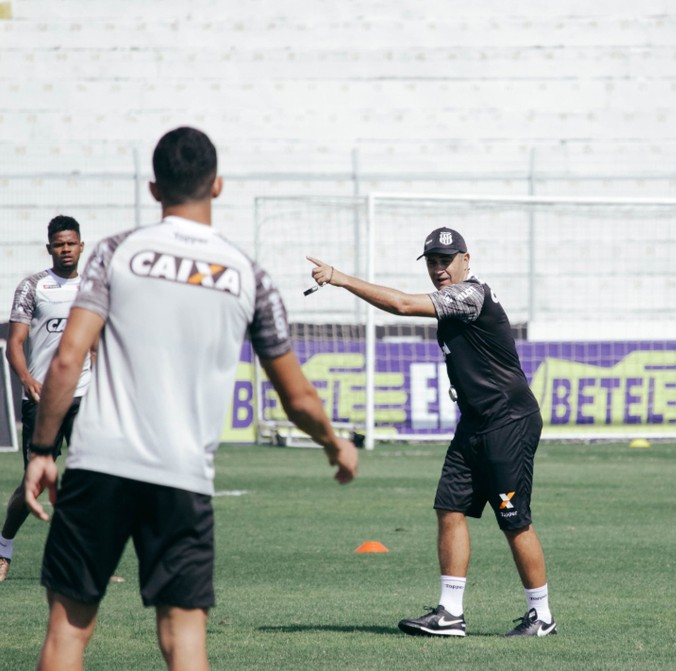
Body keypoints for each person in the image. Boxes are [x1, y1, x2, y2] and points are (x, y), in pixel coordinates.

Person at [23, 126, 359, 671]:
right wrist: (333, 444)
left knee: (67, 633)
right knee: (184, 642)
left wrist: (41, 451)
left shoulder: (115, 252)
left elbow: (66, 360)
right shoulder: (249, 275)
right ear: (218, 186)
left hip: (97, 464)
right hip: (181, 476)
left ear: (155, 189)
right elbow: (295, 395)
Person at [307, 227, 556, 638]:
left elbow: (404, 305)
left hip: (508, 420)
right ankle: (450, 613)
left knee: (513, 520)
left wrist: (341, 278)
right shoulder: (451, 299)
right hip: (476, 422)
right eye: (433, 262)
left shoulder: (471, 296)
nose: (440, 269)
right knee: (450, 507)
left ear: (466, 260)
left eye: (447, 260)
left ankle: (541, 615)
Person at [0, 216, 94, 583]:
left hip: (84, 395)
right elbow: (16, 345)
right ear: (50, 248)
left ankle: (85, 558)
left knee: (93, 477)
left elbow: (98, 340)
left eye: (71, 243)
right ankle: (4, 546)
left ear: (81, 245)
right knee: (32, 485)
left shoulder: (93, 287)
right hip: (44, 399)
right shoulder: (33, 287)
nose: (66, 249)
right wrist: (26, 378)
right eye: (59, 244)